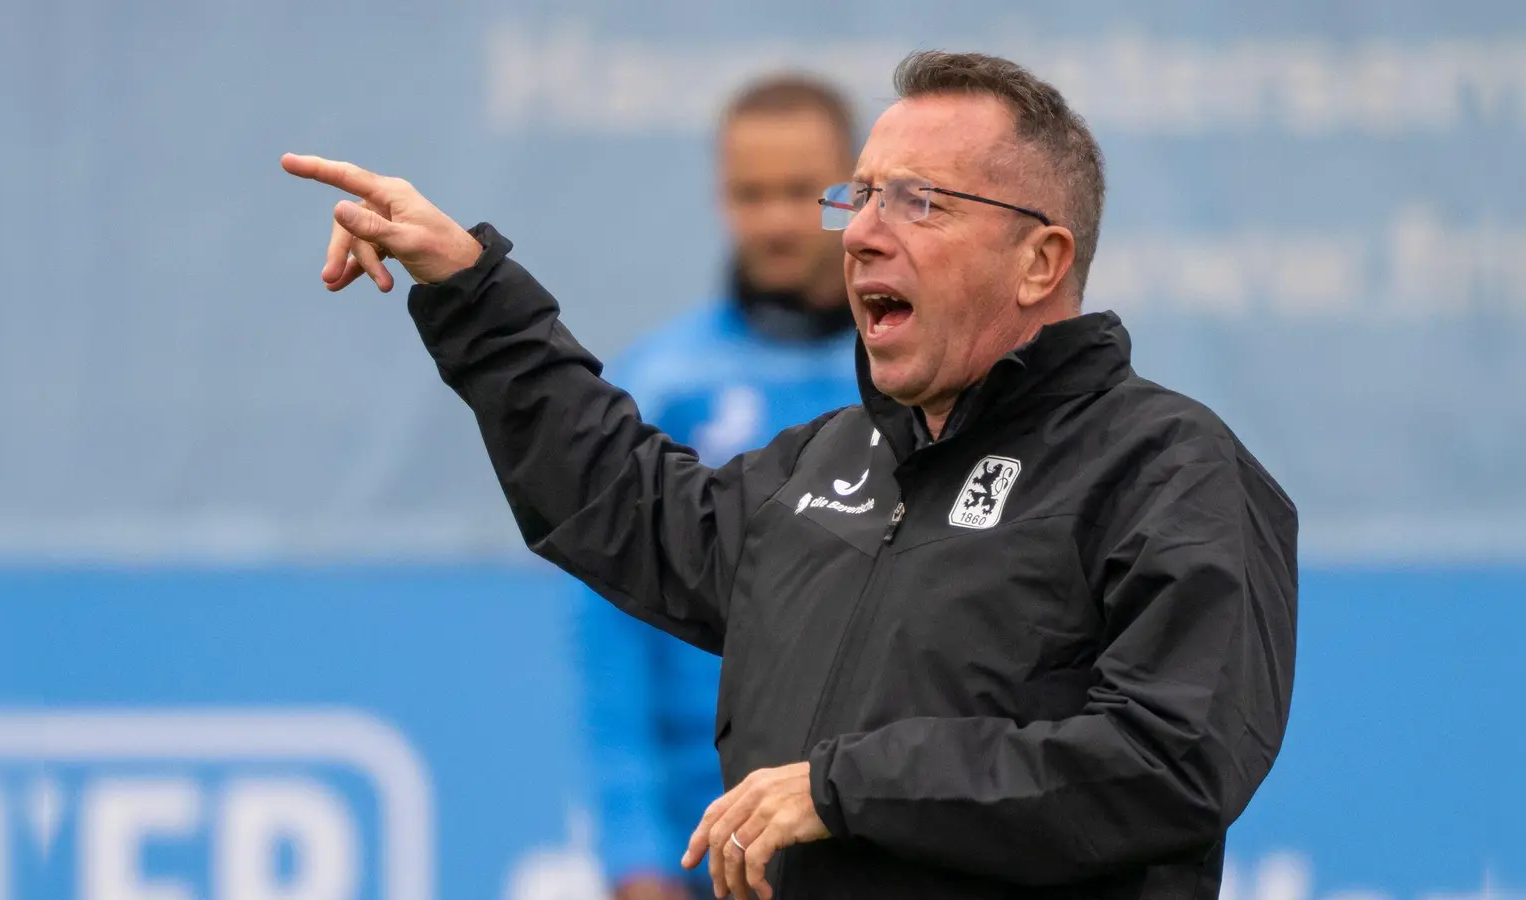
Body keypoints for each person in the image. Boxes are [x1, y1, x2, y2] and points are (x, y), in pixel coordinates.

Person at [283, 49, 1298, 900]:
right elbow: (625, 505)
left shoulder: (1166, 467)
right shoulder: (833, 458)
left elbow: (1168, 761)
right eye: (860, 198)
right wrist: (470, 286)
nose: (861, 233)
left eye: (918, 202)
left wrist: (843, 788)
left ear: (1040, 260)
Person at [576, 75, 860, 900]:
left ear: (853, 191)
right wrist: (635, 850)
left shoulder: (913, 374)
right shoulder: (661, 386)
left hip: (875, 824)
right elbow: (610, 631)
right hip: (707, 843)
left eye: (800, 193)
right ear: (719, 196)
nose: (775, 220)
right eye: (750, 194)